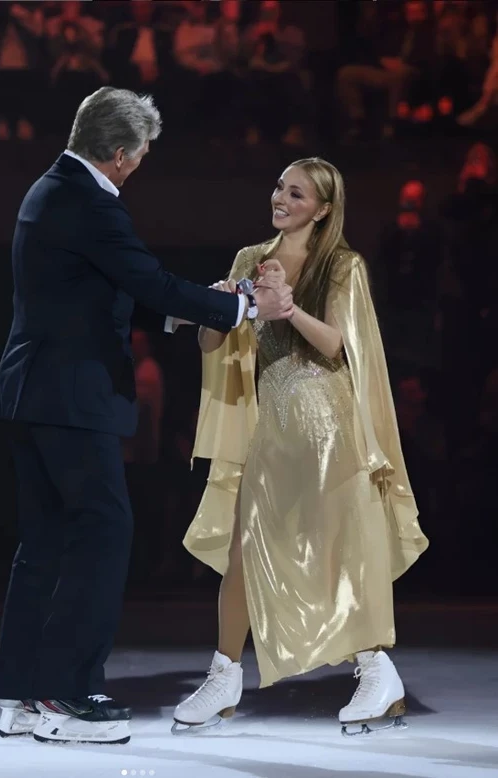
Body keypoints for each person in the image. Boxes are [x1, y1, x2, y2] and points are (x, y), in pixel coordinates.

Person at [0, 86, 293, 746]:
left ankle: (22, 693)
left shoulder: (52, 188)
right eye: (144, 152)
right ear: (123, 154)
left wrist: (196, 307)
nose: (143, 162)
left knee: (44, 543)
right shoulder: (91, 202)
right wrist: (242, 307)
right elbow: (147, 281)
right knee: (103, 531)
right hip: (72, 399)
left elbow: (112, 293)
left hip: (34, 393)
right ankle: (68, 694)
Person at [172, 157, 429, 737]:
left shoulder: (342, 264)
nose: (281, 199)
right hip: (271, 426)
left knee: (341, 548)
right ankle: (224, 675)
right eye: (279, 188)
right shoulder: (249, 258)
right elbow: (215, 343)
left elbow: (339, 344)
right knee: (244, 550)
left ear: (323, 209)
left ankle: (376, 670)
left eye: (297, 194)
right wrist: (216, 307)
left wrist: (288, 308)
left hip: (329, 424)